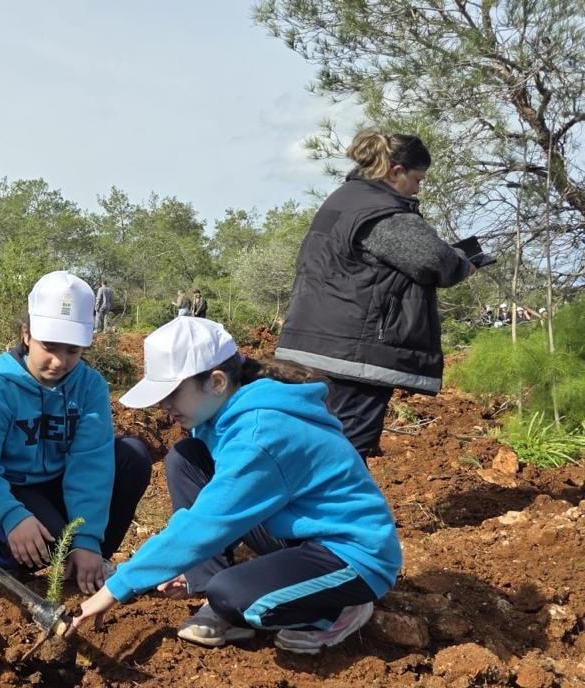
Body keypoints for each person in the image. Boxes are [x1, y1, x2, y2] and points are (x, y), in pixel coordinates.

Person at [71, 317, 400, 653]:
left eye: (172, 393)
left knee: (232, 596)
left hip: (351, 554)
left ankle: (338, 610)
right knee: (186, 458)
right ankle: (207, 582)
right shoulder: (220, 412)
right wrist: (185, 566)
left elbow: (206, 523)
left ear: (216, 381)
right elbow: (217, 506)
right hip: (299, 529)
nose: (163, 405)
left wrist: (117, 587)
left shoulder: (262, 434)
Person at [275, 131, 477, 457]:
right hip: (351, 359)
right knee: (345, 454)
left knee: (310, 450)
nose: (418, 189)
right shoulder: (384, 212)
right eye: (417, 179)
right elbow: (434, 260)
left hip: (308, 345)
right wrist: (462, 263)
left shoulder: (343, 199)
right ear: (395, 172)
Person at [0, 272, 150, 592]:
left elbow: (91, 464)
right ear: (27, 335)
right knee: (50, 540)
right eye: (49, 347)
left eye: (72, 350)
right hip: (0, 491)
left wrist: (86, 540)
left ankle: (89, 561)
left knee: (132, 457)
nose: (60, 361)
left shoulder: (89, 386)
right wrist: (12, 516)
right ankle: (3, 559)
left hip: (56, 485)